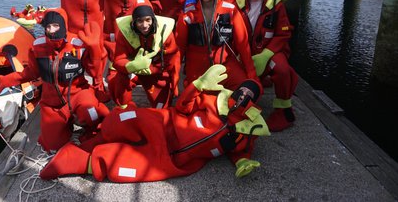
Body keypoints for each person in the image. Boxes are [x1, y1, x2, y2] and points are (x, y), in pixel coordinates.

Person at [39, 64, 270, 182]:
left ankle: (77, 160)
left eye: (249, 95)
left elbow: (243, 149)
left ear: (253, 102)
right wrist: (198, 85)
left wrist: (242, 161)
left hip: (174, 159)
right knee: (123, 120)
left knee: (125, 168)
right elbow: (182, 106)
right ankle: (95, 136)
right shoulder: (214, 97)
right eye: (242, 91)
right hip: (164, 123)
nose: (243, 96)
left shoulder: (247, 131)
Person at [0, 8, 109, 152]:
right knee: (52, 145)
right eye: (48, 27)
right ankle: (65, 124)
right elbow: (31, 73)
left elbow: (94, 72)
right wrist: (8, 80)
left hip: (78, 95)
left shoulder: (79, 44)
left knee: (91, 112)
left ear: (63, 25)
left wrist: (95, 50)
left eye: (56, 26)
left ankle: (91, 125)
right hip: (52, 104)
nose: (52, 30)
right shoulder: (37, 46)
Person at [234, 0, 298, 131]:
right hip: (246, 51)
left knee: (283, 70)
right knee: (233, 76)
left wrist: (266, 55)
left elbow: (283, 34)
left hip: (270, 51)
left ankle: (284, 111)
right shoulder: (239, 3)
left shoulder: (276, 5)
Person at [176, 0, 258, 92]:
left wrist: (251, 74)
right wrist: (175, 77)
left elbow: (243, 44)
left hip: (225, 65)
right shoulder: (188, 15)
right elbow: (179, 49)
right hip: (198, 69)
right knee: (194, 106)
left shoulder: (230, 11)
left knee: (244, 91)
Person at [108, 0, 180, 109]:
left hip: (156, 73)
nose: (144, 25)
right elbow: (117, 60)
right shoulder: (125, 33)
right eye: (140, 21)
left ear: (153, 20)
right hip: (135, 72)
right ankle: (124, 109)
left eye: (148, 20)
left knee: (161, 108)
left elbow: (172, 59)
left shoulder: (165, 32)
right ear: (133, 22)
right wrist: (132, 66)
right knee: (119, 79)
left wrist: (154, 70)